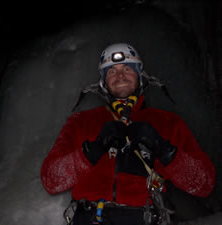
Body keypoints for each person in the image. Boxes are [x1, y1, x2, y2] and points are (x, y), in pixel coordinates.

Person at [40, 43, 216, 225]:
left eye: (127, 69)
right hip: (90, 218)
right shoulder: (81, 122)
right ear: (103, 81)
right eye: (111, 72)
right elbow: (52, 181)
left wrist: (165, 150)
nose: (120, 76)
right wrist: (90, 152)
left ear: (140, 75)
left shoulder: (168, 123)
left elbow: (203, 183)